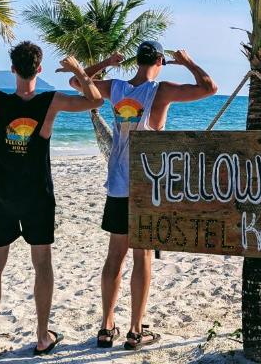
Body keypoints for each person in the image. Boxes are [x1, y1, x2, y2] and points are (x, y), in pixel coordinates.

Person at [0, 42, 104, 360]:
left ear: (13, 69)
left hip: (3, 195)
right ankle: (43, 338)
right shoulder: (51, 101)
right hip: (38, 196)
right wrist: (78, 71)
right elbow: (94, 99)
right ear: (40, 69)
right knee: (41, 264)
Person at [75, 41, 216, 351]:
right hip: (147, 186)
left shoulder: (115, 87)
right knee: (143, 256)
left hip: (118, 183)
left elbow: (77, 80)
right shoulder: (159, 91)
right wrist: (189, 60)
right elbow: (208, 87)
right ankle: (135, 330)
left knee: (115, 256)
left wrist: (108, 61)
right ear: (160, 62)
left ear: (136, 60)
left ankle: (106, 326)